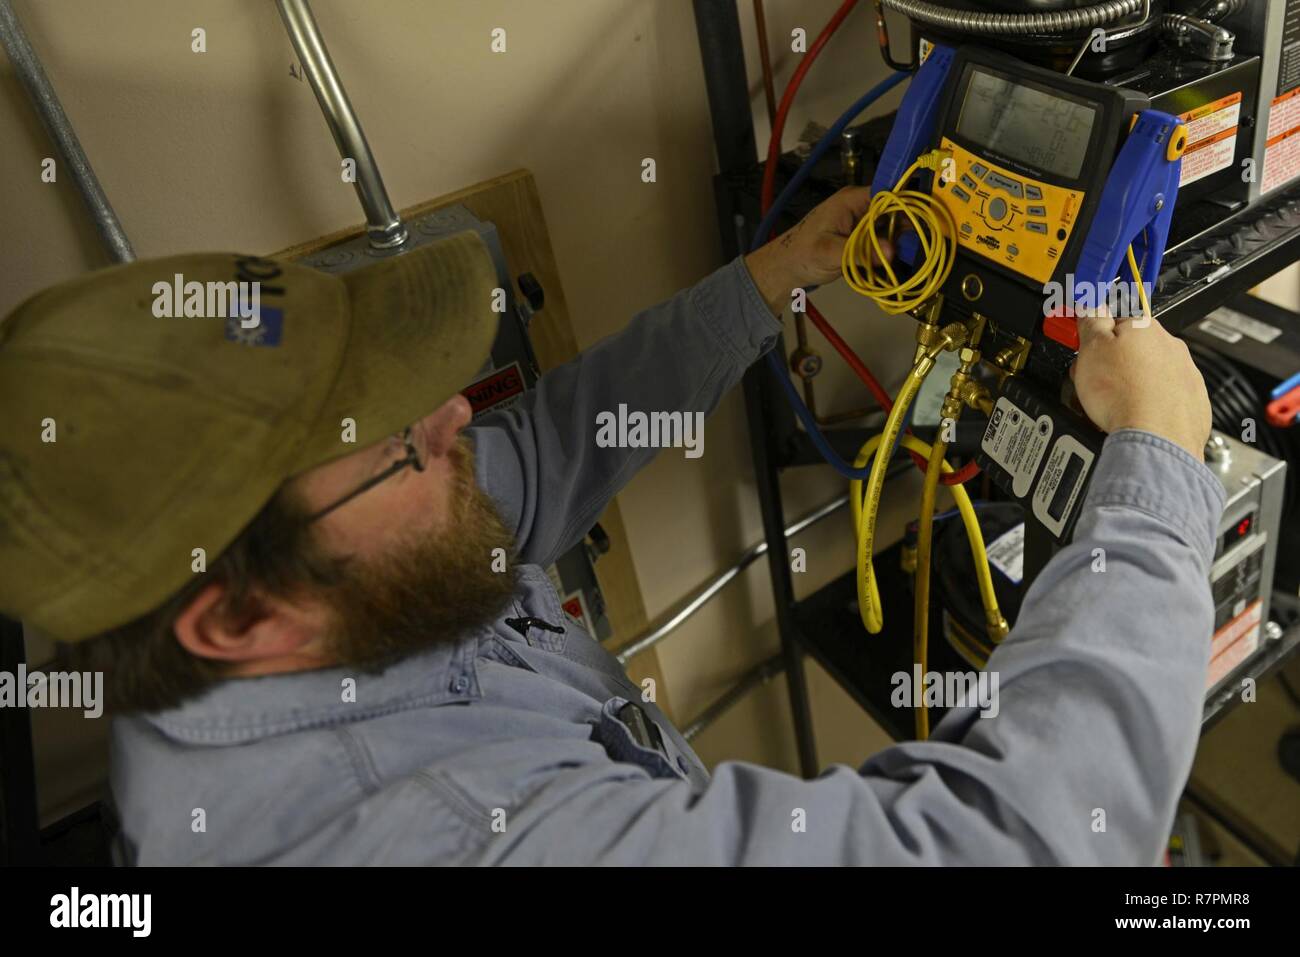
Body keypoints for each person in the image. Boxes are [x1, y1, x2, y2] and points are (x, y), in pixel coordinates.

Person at [0, 187, 1220, 865]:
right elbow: (1017, 844)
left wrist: (764, 282)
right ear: (236, 613)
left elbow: (537, 451)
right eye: (396, 447)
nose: (448, 422)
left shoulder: (310, 593)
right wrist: (1159, 466)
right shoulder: (430, 838)